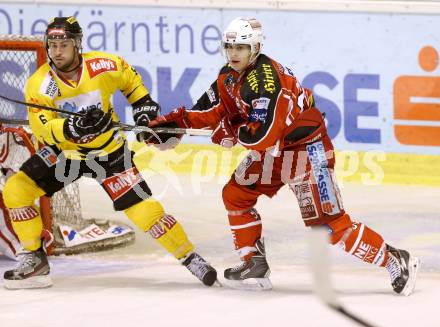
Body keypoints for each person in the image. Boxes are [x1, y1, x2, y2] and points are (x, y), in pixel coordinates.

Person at [146, 17, 420, 294]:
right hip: (275, 152)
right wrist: (174, 126)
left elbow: (263, 135)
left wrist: (230, 130)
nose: (233, 53)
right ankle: (253, 262)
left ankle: (396, 258)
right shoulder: (228, 76)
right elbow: (209, 111)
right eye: (229, 47)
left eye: (241, 47)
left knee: (327, 224)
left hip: (306, 150)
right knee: (236, 194)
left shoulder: (269, 82)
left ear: (255, 47)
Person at [2, 16, 217, 289]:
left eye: (64, 44)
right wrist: (70, 128)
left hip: (109, 154)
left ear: (77, 44)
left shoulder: (103, 65)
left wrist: (143, 109)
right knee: (16, 190)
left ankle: (190, 257)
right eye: (53, 44)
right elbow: (41, 127)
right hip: (67, 155)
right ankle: (34, 258)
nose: (57, 51)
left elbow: (132, 83)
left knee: (144, 211)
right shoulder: (40, 83)